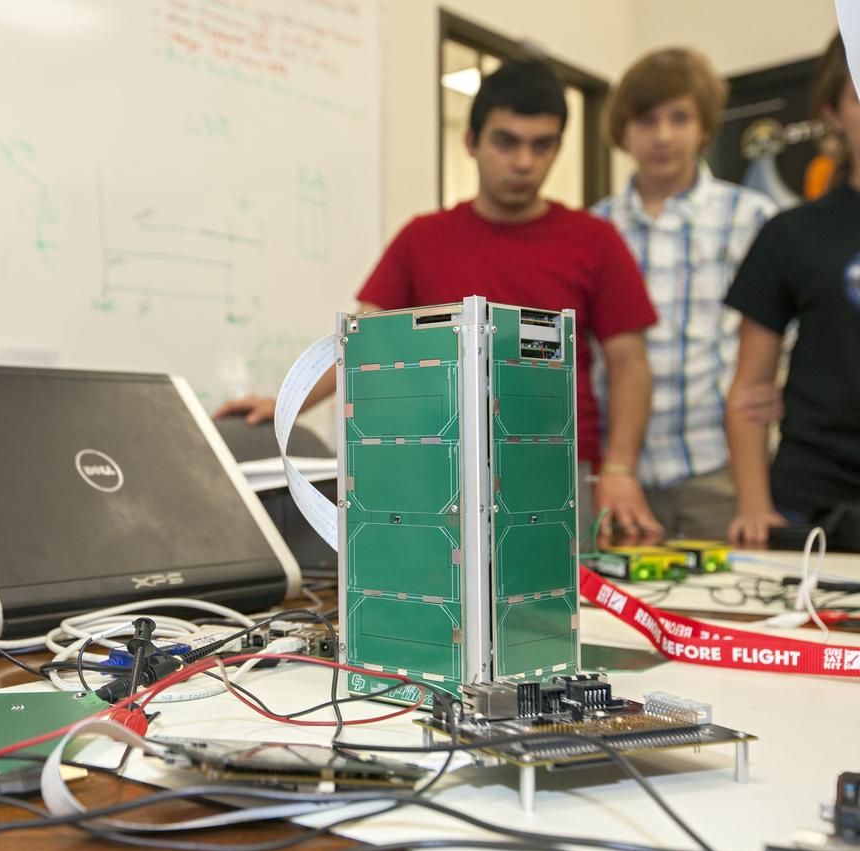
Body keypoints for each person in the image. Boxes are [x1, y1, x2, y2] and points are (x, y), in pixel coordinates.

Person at [218, 59, 662, 544]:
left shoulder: (596, 241)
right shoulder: (422, 238)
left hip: (555, 471)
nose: (523, 162)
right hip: (441, 473)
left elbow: (629, 364)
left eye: (542, 145)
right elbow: (363, 340)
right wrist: (287, 403)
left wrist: (619, 468)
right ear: (471, 142)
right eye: (506, 141)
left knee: (558, 592)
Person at [590, 48, 777, 541]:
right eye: (647, 120)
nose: (663, 136)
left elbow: (788, 331)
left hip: (718, 467)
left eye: (680, 117)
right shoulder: (595, 228)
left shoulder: (751, 217)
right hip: (619, 472)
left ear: (705, 126)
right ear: (623, 129)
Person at [726, 34, 860, 546]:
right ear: (831, 113)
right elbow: (748, 392)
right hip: (809, 505)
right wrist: (754, 507)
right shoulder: (791, 234)